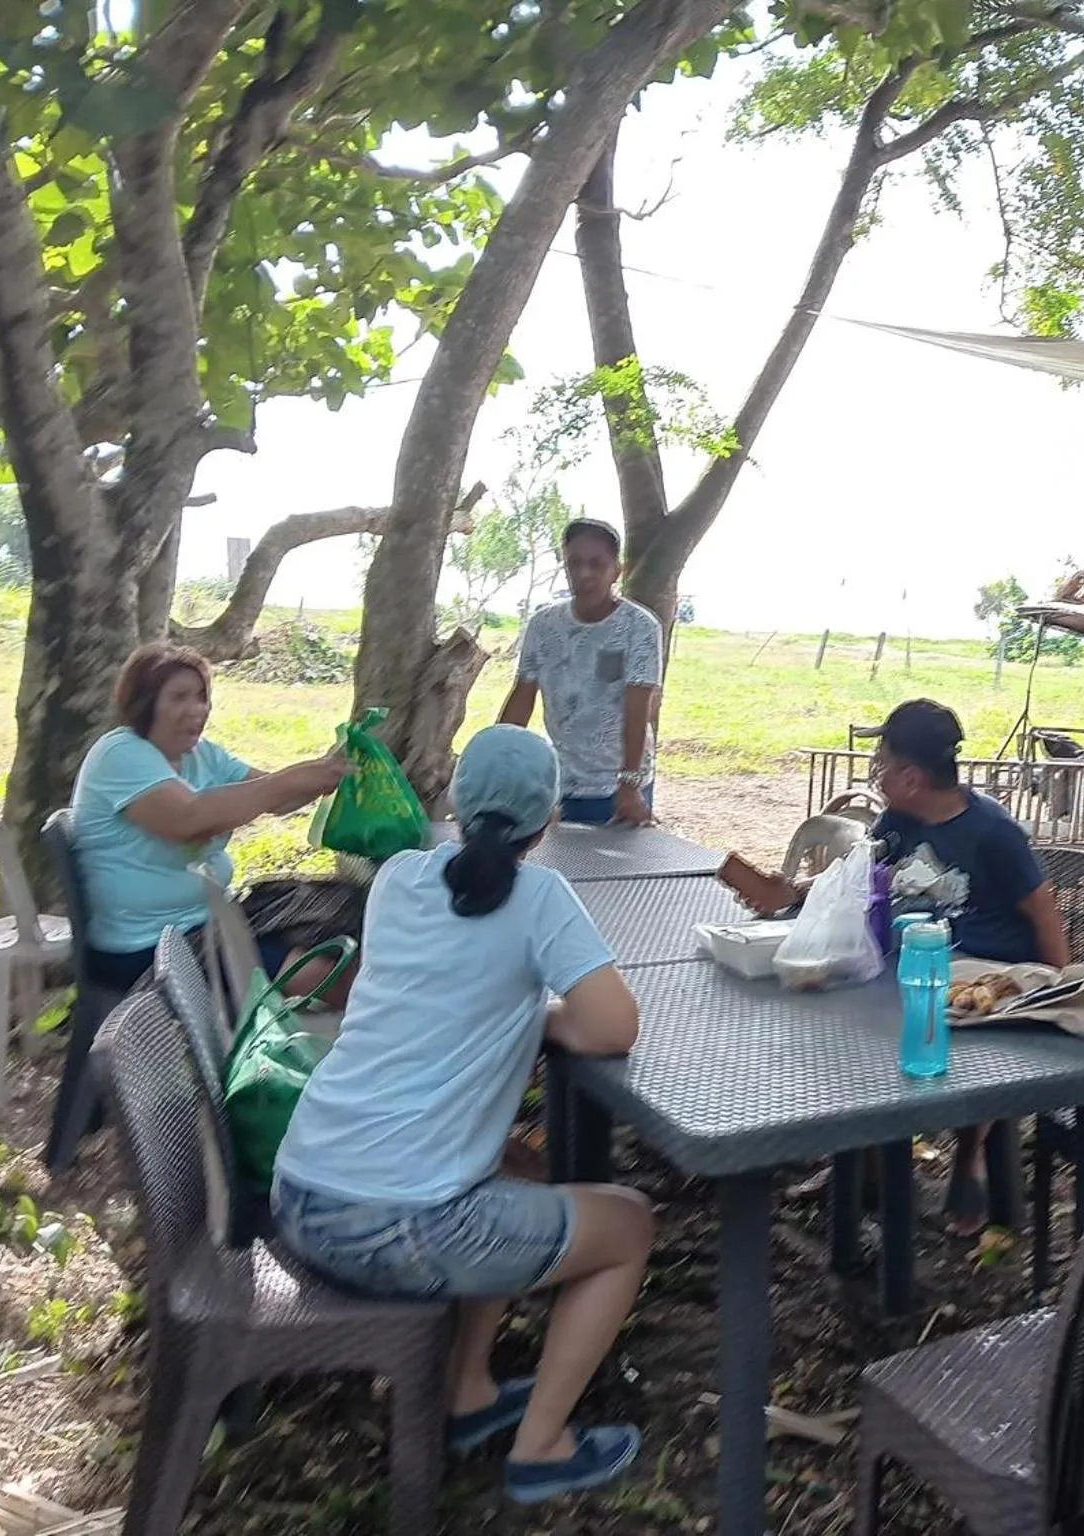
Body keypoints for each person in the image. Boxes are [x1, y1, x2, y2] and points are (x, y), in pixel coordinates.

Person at [272, 725, 653, 1505]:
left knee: (512, 1166)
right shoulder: (540, 896)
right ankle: (542, 1446)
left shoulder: (399, 878)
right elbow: (615, 1027)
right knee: (629, 1224)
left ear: (452, 800)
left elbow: (440, 990)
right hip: (395, 1229)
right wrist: (543, 1018)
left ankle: (467, 1391)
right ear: (547, 821)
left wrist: (521, 1019)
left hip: (300, 1189)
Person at [871, 699, 1070, 1235]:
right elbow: (869, 885)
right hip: (906, 966)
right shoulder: (895, 821)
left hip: (985, 977)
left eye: (881, 761)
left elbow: (1043, 911)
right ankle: (868, 1154)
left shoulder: (992, 832)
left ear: (911, 777)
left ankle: (968, 1154)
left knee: (958, 1037)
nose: (876, 772)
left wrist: (1063, 992)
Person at [69, 642, 350, 994]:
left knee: (341, 910)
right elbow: (188, 821)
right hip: (147, 947)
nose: (196, 709)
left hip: (211, 919)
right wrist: (290, 779)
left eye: (202, 696)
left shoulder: (204, 755)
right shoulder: (120, 753)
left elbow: (277, 799)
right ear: (143, 703)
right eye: (179, 697)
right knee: (323, 973)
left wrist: (329, 771)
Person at [500, 520, 663, 828]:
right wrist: (496, 759)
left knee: (619, 872)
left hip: (618, 787)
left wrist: (628, 785)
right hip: (560, 781)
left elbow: (638, 706)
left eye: (596, 564)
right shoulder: (543, 625)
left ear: (617, 571)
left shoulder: (639, 627)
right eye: (574, 563)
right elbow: (522, 698)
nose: (584, 574)